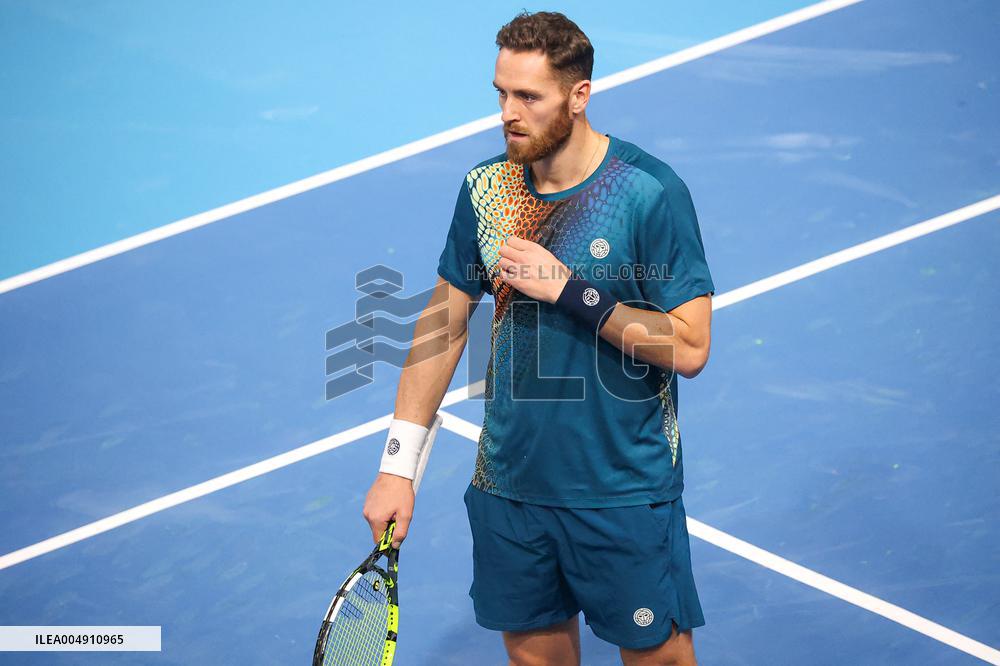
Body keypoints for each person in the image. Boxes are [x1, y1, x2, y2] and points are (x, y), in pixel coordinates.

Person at [363, 10, 714, 666]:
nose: (508, 113)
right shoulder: (486, 188)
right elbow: (442, 326)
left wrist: (573, 291)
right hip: (510, 487)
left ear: (579, 96)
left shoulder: (647, 193)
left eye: (529, 96)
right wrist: (397, 467)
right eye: (501, 93)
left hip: (621, 490)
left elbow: (691, 347)